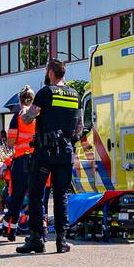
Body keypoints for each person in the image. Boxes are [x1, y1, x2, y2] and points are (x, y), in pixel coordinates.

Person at [17, 60, 82, 255]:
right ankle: (61, 241)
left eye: (47, 70)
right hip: (66, 152)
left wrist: (27, 110)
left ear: (51, 72)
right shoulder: (75, 94)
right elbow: (78, 127)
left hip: (45, 153)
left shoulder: (46, 92)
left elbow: (28, 119)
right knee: (61, 195)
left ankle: (37, 239)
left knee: (37, 194)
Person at [1, 87, 37, 242]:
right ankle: (36, 232)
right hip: (37, 159)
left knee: (17, 196)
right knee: (36, 197)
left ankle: (11, 231)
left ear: (20, 100)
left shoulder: (18, 116)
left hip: (21, 160)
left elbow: (10, 141)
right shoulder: (37, 115)